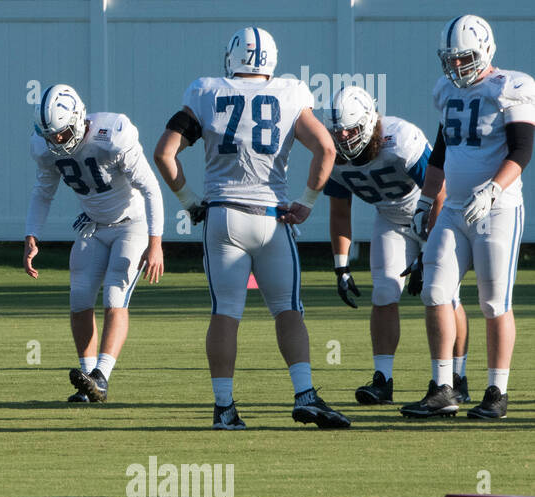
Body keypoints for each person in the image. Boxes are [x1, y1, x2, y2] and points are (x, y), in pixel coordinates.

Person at [154, 26, 349, 430]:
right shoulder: (290, 93)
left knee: (225, 313)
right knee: (289, 311)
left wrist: (190, 202)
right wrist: (308, 202)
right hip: (271, 218)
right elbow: (327, 149)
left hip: (223, 215)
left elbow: (164, 153)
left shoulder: (206, 92)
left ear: (231, 57)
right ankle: (304, 394)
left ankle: (224, 408)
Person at [401, 14, 534, 420]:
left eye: (465, 58)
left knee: (494, 302)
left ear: (486, 50)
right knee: (435, 292)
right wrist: (426, 202)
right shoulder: (447, 91)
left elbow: (522, 149)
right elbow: (440, 154)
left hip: (498, 209)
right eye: (451, 59)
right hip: (455, 208)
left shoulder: (511, 85)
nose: (457, 66)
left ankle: (497, 391)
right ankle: (444, 388)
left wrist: (494, 188)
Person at [319, 85, 469, 405]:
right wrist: (341, 266)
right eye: (339, 130)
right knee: (384, 291)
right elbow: (340, 210)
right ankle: (383, 380)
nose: (344, 137)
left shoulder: (400, 139)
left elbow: (439, 191)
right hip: (390, 219)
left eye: (352, 129)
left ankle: (457, 377)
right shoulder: (333, 154)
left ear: (370, 122)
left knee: (443, 295)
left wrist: (427, 251)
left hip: (435, 214)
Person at [23, 84, 164, 403]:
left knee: (115, 295)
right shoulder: (45, 146)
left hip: (132, 225)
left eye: (61, 132)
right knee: (79, 297)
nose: (56, 140)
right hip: (92, 224)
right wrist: (32, 235)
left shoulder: (112, 136)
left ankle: (102, 375)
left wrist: (155, 244)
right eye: (50, 134)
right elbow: (43, 191)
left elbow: (151, 188)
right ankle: (88, 381)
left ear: (78, 118)